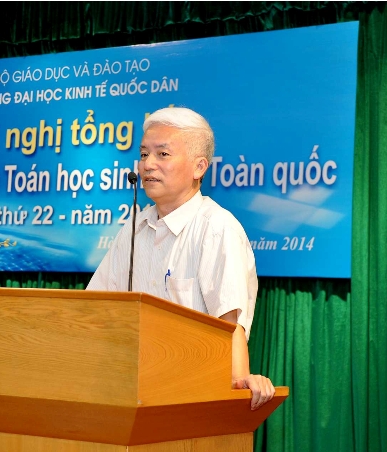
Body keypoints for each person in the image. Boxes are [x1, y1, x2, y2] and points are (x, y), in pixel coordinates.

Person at [87, 106, 275, 410]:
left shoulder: (216, 228)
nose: (148, 165)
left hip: (192, 396)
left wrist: (238, 386)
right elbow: (96, 309)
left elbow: (230, 326)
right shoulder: (133, 228)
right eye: (144, 154)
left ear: (199, 167)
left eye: (162, 154)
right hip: (131, 393)